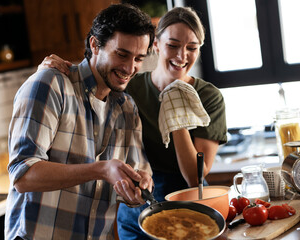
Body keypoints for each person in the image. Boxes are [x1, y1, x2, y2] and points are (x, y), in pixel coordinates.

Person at [38, 6, 228, 239]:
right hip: (137, 202)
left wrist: (177, 114)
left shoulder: (209, 96)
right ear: (156, 45)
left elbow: (194, 177)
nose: (182, 56)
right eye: (173, 45)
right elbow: (95, 76)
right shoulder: (128, 88)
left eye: (192, 48)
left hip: (190, 198)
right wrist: (52, 71)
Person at [5, 3, 156, 240]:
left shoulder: (127, 108)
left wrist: (139, 186)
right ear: (95, 45)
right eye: (122, 54)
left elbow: (136, 173)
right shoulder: (51, 84)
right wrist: (101, 170)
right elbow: (23, 176)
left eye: (139, 58)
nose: (129, 67)